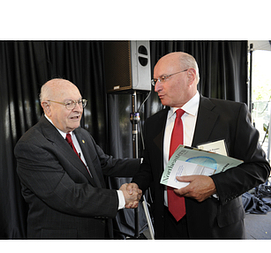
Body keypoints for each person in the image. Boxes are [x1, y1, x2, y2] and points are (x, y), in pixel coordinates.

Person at [129, 52, 270, 239]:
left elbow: (259, 168)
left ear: (190, 76)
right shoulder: (153, 124)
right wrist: (136, 185)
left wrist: (214, 185)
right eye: (155, 80)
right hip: (166, 225)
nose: (157, 87)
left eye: (163, 78)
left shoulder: (231, 115)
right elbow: (150, 166)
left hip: (216, 226)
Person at [14, 78, 142, 239]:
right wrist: (121, 198)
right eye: (69, 103)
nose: (78, 109)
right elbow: (69, 195)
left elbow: (105, 164)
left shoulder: (80, 133)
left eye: (80, 102)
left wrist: (147, 163)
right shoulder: (32, 145)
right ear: (47, 107)